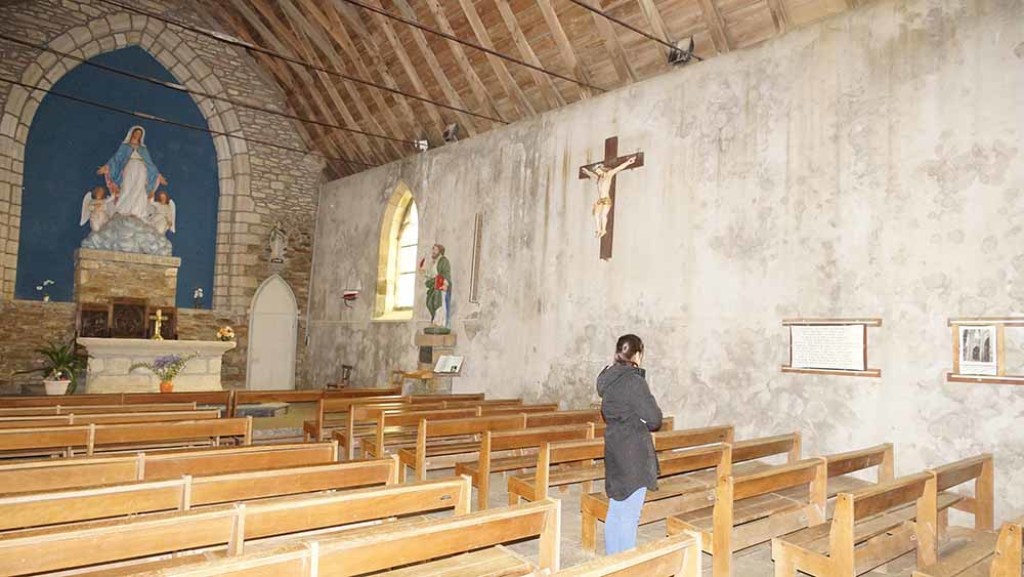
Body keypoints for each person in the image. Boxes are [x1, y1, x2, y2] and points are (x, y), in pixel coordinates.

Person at [596, 334, 663, 555]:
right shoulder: (634, 382)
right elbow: (654, 419)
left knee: (616, 508)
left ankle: (612, 562)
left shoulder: (608, 380)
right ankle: (626, 565)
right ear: (637, 355)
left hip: (614, 447)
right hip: (634, 453)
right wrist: (641, 419)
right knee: (630, 515)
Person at [97, 125, 167, 221]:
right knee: (127, 187)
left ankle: (139, 212)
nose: (137, 135)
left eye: (139, 134)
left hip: (141, 169)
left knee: (140, 188)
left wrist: (158, 175)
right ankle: (122, 210)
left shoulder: (143, 149)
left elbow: (150, 163)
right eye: (136, 133)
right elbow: (116, 159)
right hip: (129, 167)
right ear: (132, 133)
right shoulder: (125, 146)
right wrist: (107, 167)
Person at [581, 155, 637, 238]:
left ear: (602, 169)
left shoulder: (609, 175)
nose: (598, 173)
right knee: (596, 214)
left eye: (598, 171)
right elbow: (591, 175)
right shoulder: (598, 178)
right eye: (597, 172)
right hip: (600, 199)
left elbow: (618, 168)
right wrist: (586, 171)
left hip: (606, 199)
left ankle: (603, 230)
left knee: (603, 215)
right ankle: (598, 230)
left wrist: (628, 162)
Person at [419, 243, 452, 328]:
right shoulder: (434, 262)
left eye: (435, 249)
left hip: (440, 285)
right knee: (430, 302)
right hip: (433, 285)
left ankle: (439, 323)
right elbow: (431, 275)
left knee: (439, 303)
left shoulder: (443, 260)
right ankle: (434, 319)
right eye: (433, 249)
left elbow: (446, 273)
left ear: (440, 251)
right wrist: (423, 271)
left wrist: (445, 284)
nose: (433, 251)